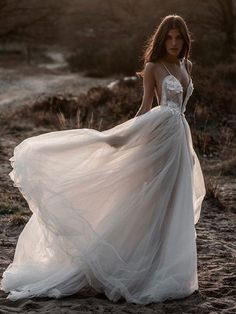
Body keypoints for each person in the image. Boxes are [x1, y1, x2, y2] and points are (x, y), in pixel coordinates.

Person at [0, 14, 206, 304]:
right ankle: (133, 267)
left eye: (178, 37)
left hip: (179, 139)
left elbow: (181, 106)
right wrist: (120, 138)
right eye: (169, 37)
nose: (173, 43)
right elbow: (146, 107)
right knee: (150, 201)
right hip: (157, 139)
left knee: (175, 203)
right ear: (162, 39)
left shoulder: (187, 65)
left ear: (185, 39)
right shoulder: (153, 67)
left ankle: (164, 267)